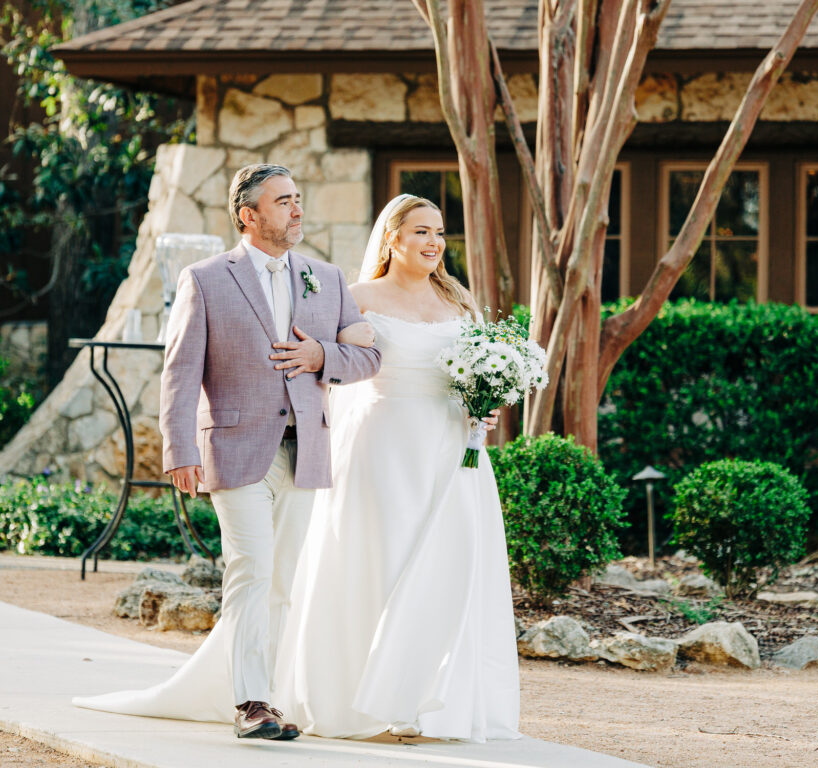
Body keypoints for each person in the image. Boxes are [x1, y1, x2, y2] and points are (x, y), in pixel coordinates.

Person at [73, 164, 381, 741]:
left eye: (297, 198)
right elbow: (180, 372)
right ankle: (251, 704)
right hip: (235, 449)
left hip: (306, 452)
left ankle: (271, 695)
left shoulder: (327, 278)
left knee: (283, 581)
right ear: (248, 215)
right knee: (251, 570)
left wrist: (322, 356)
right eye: (283, 200)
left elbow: (369, 357)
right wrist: (178, 448)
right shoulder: (206, 279)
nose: (297, 209)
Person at [273, 194, 521, 742]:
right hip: (384, 446)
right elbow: (331, 363)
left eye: (439, 232)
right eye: (421, 232)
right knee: (384, 560)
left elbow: (477, 373)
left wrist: (488, 402)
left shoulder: (459, 301)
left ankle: (432, 703)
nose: (434, 242)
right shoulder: (357, 297)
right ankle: (366, 701)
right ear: (392, 239)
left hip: (454, 449)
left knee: (451, 568)